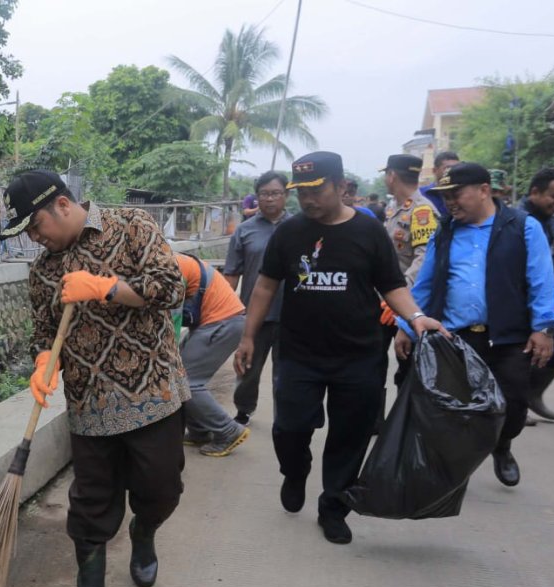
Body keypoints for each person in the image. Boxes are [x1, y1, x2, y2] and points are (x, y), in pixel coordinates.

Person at [0, 169, 189, 587]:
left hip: (153, 395)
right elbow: (44, 331)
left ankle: (143, 534)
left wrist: (106, 288)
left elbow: (172, 287)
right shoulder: (43, 270)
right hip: (90, 404)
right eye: (26, 232)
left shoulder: (132, 225)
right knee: (90, 504)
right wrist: (45, 362)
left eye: (36, 225)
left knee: (161, 488)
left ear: (62, 205)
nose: (35, 238)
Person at [233, 151, 446, 546]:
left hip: (359, 356)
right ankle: (294, 471)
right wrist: (248, 336)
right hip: (299, 353)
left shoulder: (368, 233)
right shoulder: (290, 232)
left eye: (317, 190)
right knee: (289, 428)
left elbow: (393, 286)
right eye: (303, 192)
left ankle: (333, 506)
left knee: (350, 436)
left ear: (341, 187)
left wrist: (415, 318)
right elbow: (265, 286)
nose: (308, 200)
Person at [396, 163, 554, 488]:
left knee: (513, 407)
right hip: (455, 337)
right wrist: (407, 323)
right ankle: (455, 467)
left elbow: (542, 281)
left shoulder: (523, 227)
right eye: (445, 198)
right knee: (453, 408)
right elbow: (425, 284)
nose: (450, 203)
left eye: (456, 194)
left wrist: (543, 328)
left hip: (508, 339)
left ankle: (502, 446)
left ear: (484, 190)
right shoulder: (444, 231)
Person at [374, 154, 442, 428]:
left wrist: (397, 296)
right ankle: (374, 420)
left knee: (408, 365)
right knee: (373, 362)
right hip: (383, 302)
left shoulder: (422, 211)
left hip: (408, 303)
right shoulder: (395, 209)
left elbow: (424, 259)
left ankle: (405, 424)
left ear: (392, 175)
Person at [224, 171, 292, 426]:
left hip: (292, 315)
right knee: (248, 369)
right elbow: (231, 273)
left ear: (286, 195)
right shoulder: (244, 231)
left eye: (276, 193)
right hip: (255, 315)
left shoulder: (299, 228)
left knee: (286, 374)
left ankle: (284, 418)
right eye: (264, 194)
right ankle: (243, 410)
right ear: (257, 197)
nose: (270, 199)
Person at [175, 252, 249, 457]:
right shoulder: (171, 258)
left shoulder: (170, 265)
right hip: (222, 321)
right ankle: (199, 431)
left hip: (222, 322)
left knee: (186, 381)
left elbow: (170, 319)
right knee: (180, 377)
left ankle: (228, 430)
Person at [517, 168, 554, 421]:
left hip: (553, 298)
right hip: (525, 301)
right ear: (535, 193)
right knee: (521, 354)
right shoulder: (517, 221)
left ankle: (533, 394)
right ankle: (517, 405)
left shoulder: (550, 218)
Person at [421, 151, 461, 218]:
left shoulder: (462, 192)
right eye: (447, 168)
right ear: (434, 170)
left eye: (456, 168)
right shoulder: (421, 194)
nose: (453, 172)